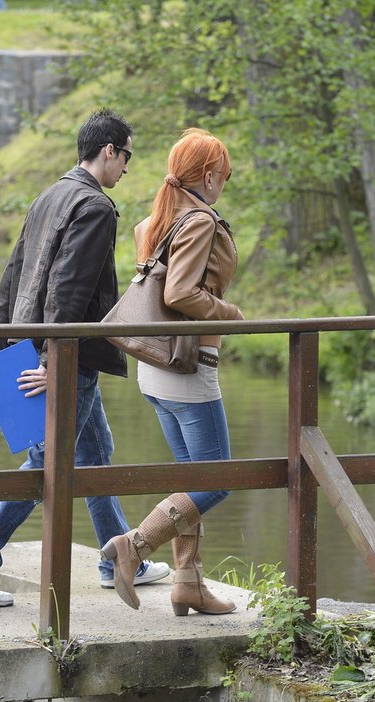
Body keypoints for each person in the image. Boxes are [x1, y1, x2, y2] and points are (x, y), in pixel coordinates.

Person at [0, 109, 170, 606]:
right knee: (48, 458)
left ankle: (117, 558)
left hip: (33, 345)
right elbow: (68, 292)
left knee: (95, 451)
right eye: (127, 155)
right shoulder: (93, 207)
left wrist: (5, 345)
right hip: (65, 356)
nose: (128, 168)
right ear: (109, 150)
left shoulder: (49, 195)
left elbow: (13, 274)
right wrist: (54, 361)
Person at [100, 129, 242, 617]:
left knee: (190, 481)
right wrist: (232, 314)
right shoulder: (199, 220)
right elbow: (179, 295)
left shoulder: (154, 221)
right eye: (225, 175)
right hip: (188, 368)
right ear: (208, 176)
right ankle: (134, 547)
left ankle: (188, 583)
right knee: (217, 480)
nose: (224, 184)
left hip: (153, 369)